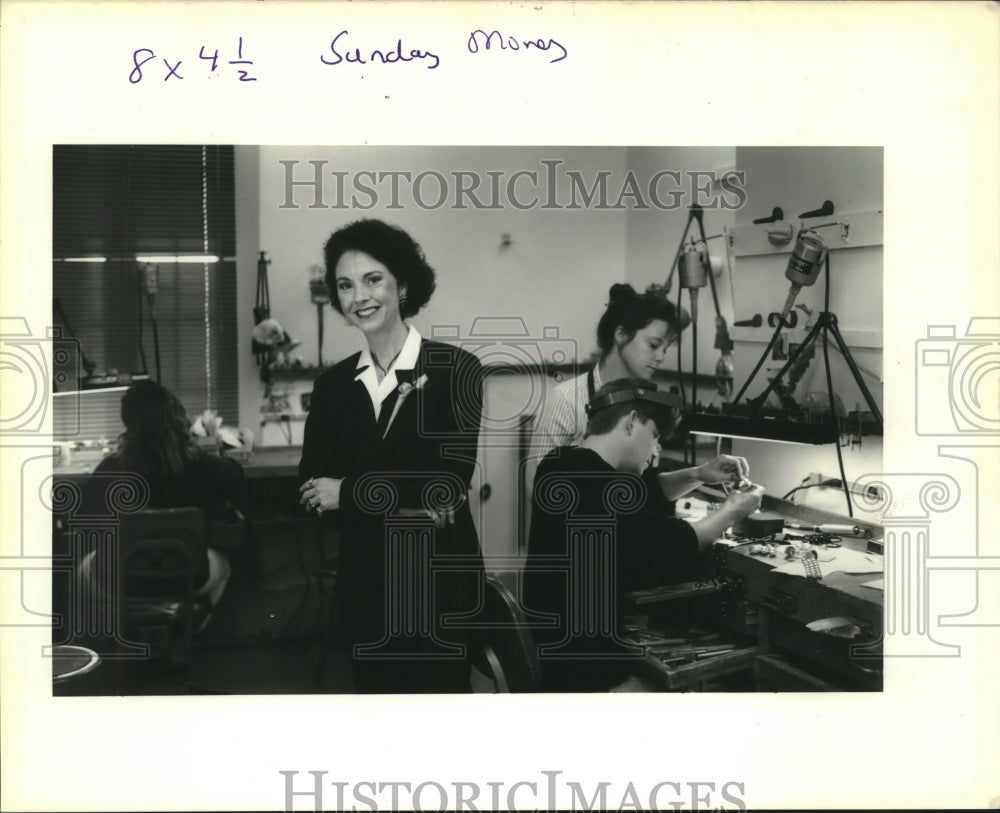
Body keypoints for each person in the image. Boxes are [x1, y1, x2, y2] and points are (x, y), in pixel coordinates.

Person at [298, 218, 485, 694]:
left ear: (402, 284)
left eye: (372, 279)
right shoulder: (332, 387)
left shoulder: (457, 370)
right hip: (369, 589)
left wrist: (350, 493)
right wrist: (405, 500)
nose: (358, 295)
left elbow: (447, 483)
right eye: (345, 285)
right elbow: (313, 496)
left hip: (441, 587)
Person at [523, 378, 763, 692]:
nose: (654, 451)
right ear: (632, 421)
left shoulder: (560, 465)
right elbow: (670, 545)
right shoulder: (594, 483)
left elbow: (636, 499)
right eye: (655, 435)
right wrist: (733, 509)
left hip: (560, 658)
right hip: (587, 680)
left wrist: (698, 474)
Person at [530, 281, 747, 503]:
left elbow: (645, 491)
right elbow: (539, 491)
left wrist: (698, 474)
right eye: (654, 345)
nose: (661, 357)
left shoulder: (644, 406)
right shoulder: (566, 401)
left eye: (665, 349)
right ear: (621, 335)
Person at [79, 381, 244, 611]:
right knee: (224, 565)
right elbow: (235, 475)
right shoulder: (202, 465)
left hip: (120, 580)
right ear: (176, 417)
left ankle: (126, 629)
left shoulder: (111, 468)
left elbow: (84, 523)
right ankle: (188, 626)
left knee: (80, 570)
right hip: (187, 579)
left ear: (128, 422)